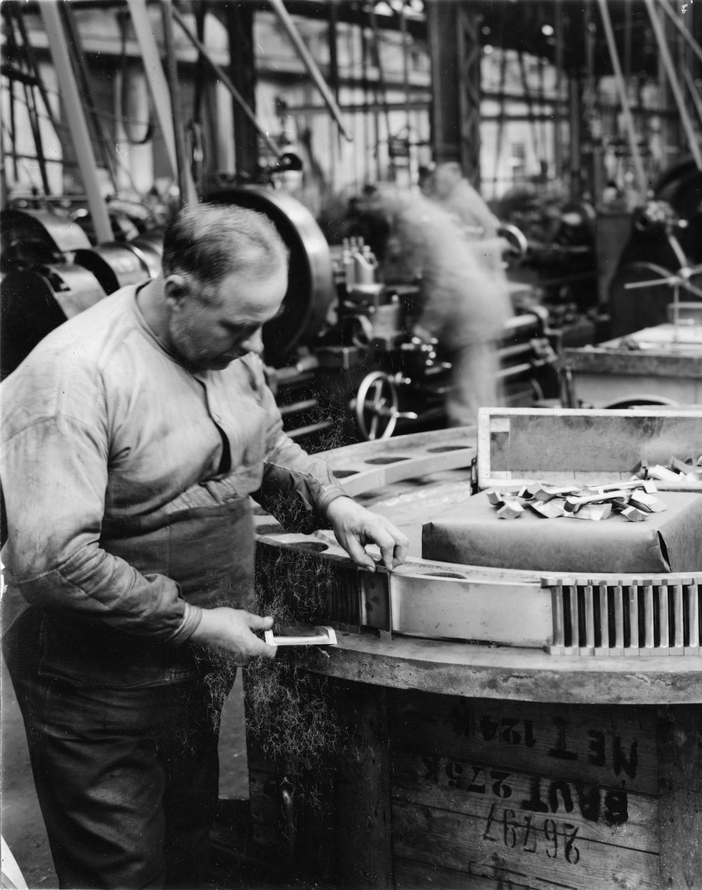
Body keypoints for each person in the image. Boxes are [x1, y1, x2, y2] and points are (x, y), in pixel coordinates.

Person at [0, 201, 408, 889]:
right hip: (97, 685)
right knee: (122, 873)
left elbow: (262, 440)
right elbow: (54, 562)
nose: (256, 346)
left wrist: (329, 501)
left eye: (264, 323)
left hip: (191, 662)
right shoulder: (74, 379)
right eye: (240, 325)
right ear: (177, 290)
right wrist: (195, 623)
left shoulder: (221, 347)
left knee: (191, 848)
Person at [375, 185, 512, 426]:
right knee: (483, 401)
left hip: (469, 315)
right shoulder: (424, 213)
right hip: (476, 309)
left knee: (468, 411)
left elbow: (443, 282)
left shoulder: (412, 220)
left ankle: (473, 448)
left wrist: (425, 328)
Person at [426, 160, 501, 241]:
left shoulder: (463, 196)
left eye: (440, 181)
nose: (437, 186)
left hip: (476, 245)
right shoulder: (457, 193)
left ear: (454, 175)